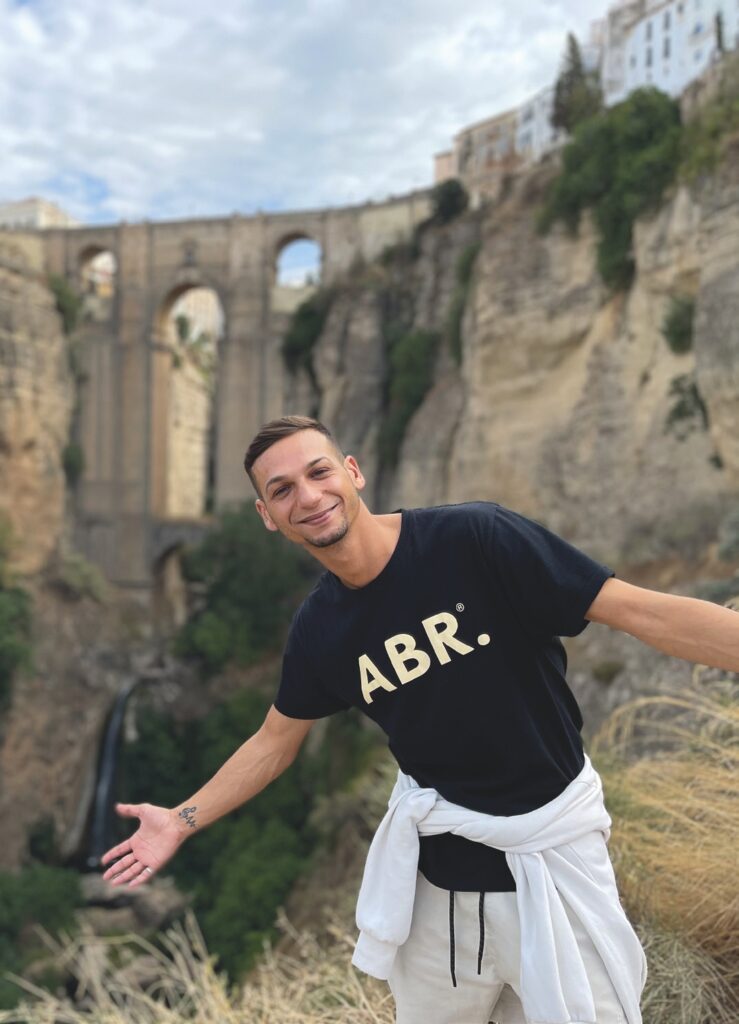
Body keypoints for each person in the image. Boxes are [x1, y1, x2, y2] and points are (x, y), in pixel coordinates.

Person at [102, 416, 739, 1024]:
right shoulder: (320, 631)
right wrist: (181, 820)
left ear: (353, 472)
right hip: (442, 894)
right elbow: (274, 742)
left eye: (319, 472)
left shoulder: (476, 540)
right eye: (283, 490)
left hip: (557, 866)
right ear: (269, 518)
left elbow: (638, 610)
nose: (309, 495)